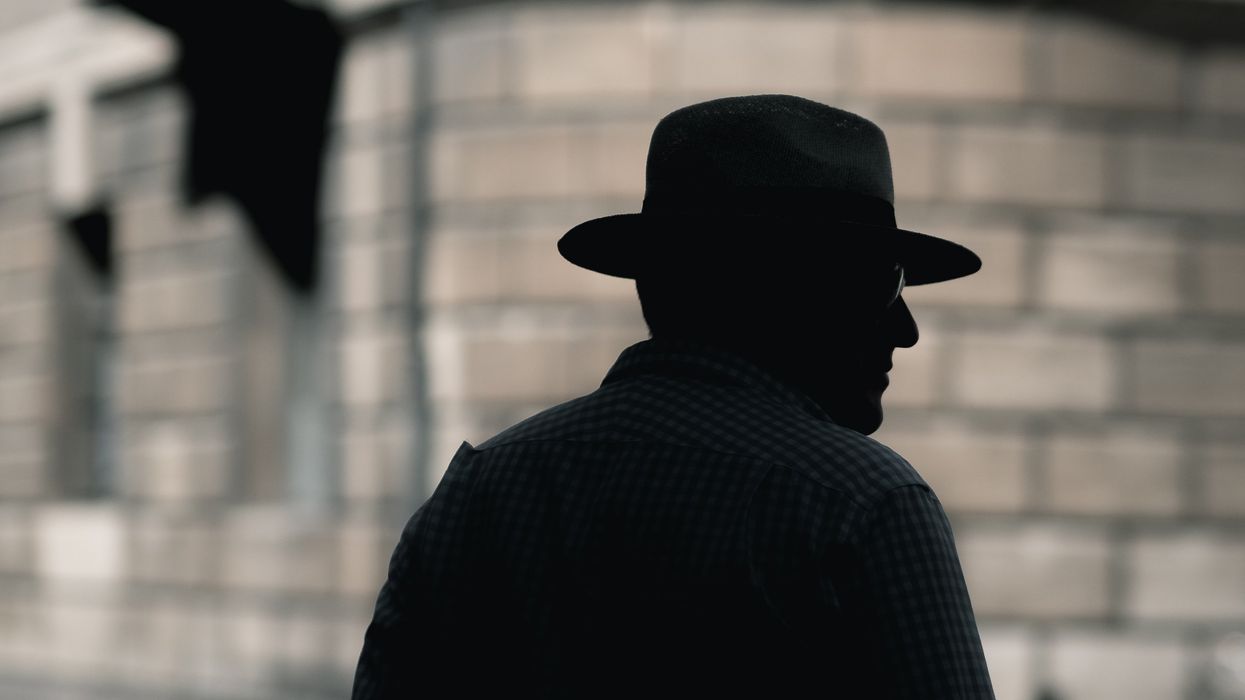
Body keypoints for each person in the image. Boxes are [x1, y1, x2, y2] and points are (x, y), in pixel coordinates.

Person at [353, 94, 996, 699]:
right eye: (886, 284)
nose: (906, 330)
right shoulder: (861, 504)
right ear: (797, 291)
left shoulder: (478, 493)